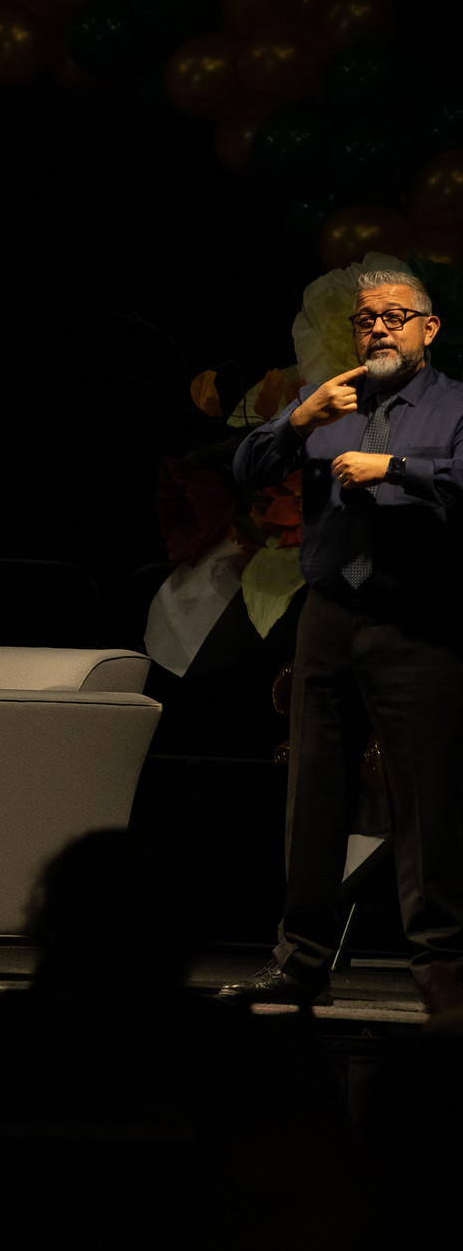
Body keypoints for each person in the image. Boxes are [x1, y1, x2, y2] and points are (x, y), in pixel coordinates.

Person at [223, 269, 463, 1007]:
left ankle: (442, 973)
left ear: (429, 328)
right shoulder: (329, 397)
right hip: (329, 611)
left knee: (426, 797)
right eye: (366, 319)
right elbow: (244, 468)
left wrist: (396, 466)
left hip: (416, 616)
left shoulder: (454, 404)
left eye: (396, 316)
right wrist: (298, 421)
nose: (379, 329)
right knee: (314, 789)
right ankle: (300, 962)